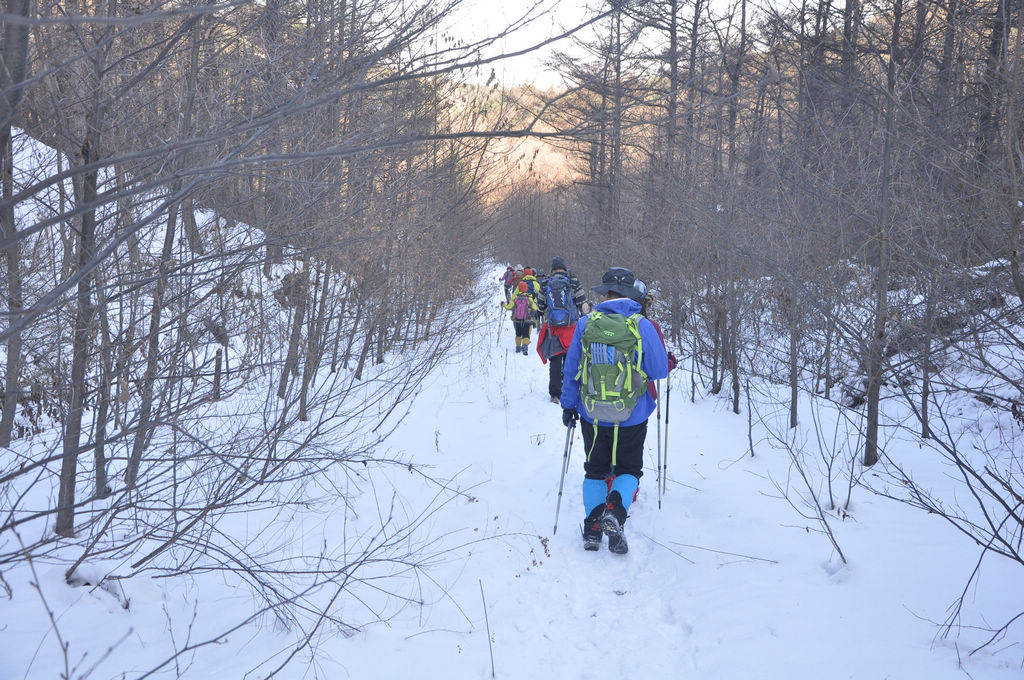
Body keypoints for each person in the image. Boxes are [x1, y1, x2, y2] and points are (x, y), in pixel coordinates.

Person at [560, 267, 669, 554]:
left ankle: (593, 529)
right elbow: (658, 369)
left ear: (604, 293)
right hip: (631, 415)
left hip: (592, 414)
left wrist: (568, 406)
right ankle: (615, 514)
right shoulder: (642, 325)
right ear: (632, 294)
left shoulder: (585, 324)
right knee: (628, 469)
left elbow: (572, 369)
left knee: (595, 470)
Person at [536, 257, 587, 403]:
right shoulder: (573, 281)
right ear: (564, 268)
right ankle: (571, 390)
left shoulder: (545, 282)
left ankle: (555, 394)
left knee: (555, 359)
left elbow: (540, 306)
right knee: (572, 360)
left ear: (552, 269)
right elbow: (582, 303)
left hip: (554, 329)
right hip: (571, 328)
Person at [502, 280, 539, 354]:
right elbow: (535, 308)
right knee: (526, 334)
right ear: (526, 289)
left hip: (517, 320)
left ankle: (518, 348)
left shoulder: (515, 298)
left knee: (518, 334)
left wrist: (503, 305)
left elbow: (509, 307)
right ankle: (525, 346)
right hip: (527, 320)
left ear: (518, 288)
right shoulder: (529, 298)